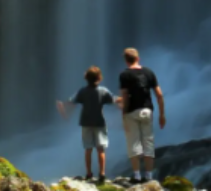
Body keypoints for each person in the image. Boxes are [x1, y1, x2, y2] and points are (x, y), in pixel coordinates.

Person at [57, 66, 117, 183]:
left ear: (86, 78)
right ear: (99, 77)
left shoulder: (82, 91)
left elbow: (71, 101)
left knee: (88, 148)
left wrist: (62, 105)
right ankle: (102, 174)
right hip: (99, 122)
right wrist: (123, 99)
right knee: (101, 148)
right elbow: (113, 100)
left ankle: (89, 173)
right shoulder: (103, 91)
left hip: (85, 122)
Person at [118, 47, 165, 183]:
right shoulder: (149, 72)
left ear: (126, 61)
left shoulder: (124, 75)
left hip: (131, 111)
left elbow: (125, 96)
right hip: (147, 110)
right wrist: (162, 115)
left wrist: (123, 114)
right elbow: (159, 95)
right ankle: (149, 176)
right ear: (138, 58)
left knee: (133, 143)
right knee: (148, 142)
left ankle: (137, 175)